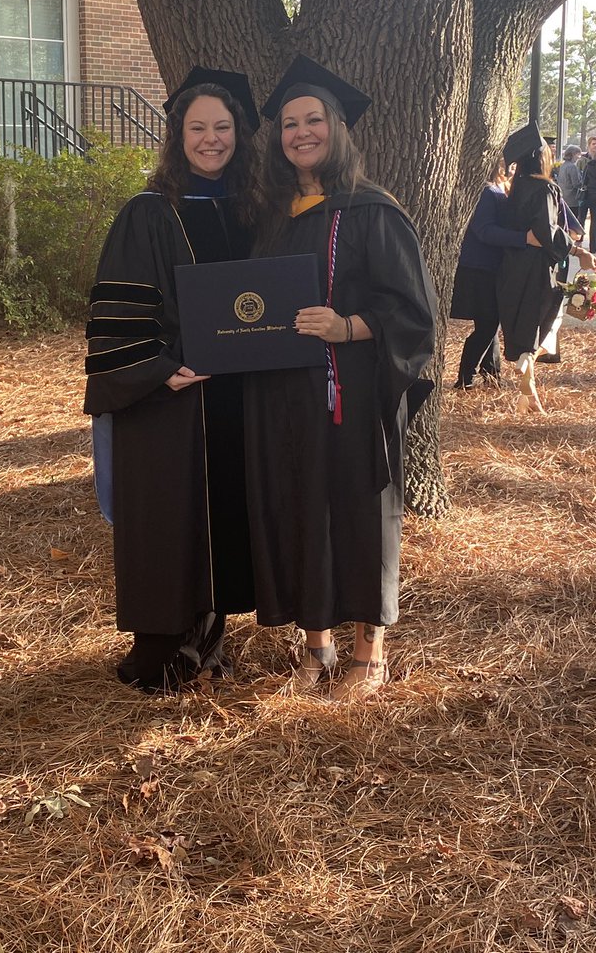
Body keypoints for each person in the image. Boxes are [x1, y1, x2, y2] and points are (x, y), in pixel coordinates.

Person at [243, 56, 437, 702]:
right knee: (301, 506)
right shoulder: (273, 215)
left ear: (338, 128)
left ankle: (368, 653)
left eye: (313, 119)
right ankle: (316, 644)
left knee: (358, 512)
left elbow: (415, 315)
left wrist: (348, 326)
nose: (300, 132)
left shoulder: (372, 211)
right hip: (286, 395)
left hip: (350, 392)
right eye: (290, 123)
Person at [83, 67, 261, 693]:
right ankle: (161, 650)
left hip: (235, 397)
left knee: (223, 513)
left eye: (222, 127)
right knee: (169, 513)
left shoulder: (249, 212)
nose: (211, 139)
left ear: (239, 135)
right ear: (176, 136)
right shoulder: (148, 213)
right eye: (197, 128)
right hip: (171, 397)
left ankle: (210, 640)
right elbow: (118, 314)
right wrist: (161, 370)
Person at [497, 121, 596, 414]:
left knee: (525, 323)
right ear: (540, 157)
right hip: (536, 268)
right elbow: (547, 230)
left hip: (512, 264)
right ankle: (526, 365)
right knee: (546, 320)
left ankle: (527, 394)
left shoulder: (516, 188)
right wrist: (577, 250)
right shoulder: (544, 189)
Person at [450, 161, 537, 389]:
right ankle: (465, 378)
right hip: (479, 268)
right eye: (509, 166)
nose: (512, 170)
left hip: (487, 266)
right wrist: (522, 239)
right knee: (488, 324)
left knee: (490, 322)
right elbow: (484, 230)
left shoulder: (496, 190)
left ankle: (491, 372)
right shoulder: (488, 192)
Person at [555, 145, 582, 214]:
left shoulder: (563, 165)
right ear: (573, 154)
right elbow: (576, 184)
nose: (579, 157)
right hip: (572, 199)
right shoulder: (572, 167)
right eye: (578, 154)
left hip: (564, 197)